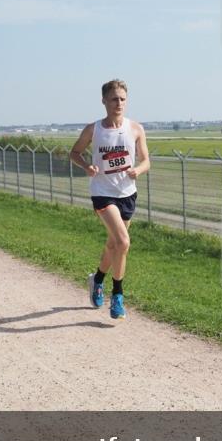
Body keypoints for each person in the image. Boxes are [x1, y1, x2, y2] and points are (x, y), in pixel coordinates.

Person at [69, 79, 150, 320]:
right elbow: (74, 152)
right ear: (104, 101)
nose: (119, 103)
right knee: (123, 241)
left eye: (123, 99)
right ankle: (118, 295)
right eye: (114, 99)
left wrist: (138, 170)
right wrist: (87, 166)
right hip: (102, 193)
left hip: (127, 193)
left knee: (114, 244)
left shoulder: (135, 128)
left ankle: (97, 279)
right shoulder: (93, 130)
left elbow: (146, 160)